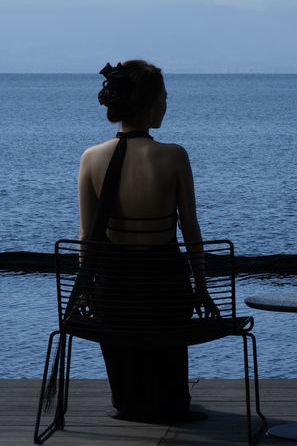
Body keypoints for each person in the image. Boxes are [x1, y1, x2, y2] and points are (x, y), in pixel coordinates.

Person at [77, 59, 217, 423]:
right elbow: (190, 230)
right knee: (166, 298)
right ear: (148, 103)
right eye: (164, 97)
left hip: (116, 296)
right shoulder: (174, 156)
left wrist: (85, 291)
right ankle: (170, 400)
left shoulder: (90, 158)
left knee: (119, 301)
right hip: (165, 294)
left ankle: (127, 399)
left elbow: (86, 236)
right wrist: (201, 286)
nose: (166, 105)